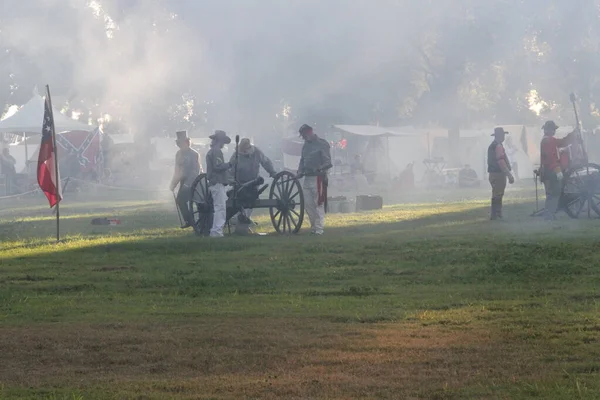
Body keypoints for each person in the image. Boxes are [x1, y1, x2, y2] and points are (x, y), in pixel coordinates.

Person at [229, 138, 277, 234]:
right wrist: (231, 180)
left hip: (253, 183)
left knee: (250, 203)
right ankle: (241, 224)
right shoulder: (236, 155)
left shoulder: (257, 152)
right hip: (240, 184)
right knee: (241, 204)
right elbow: (231, 169)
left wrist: (272, 172)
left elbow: (266, 162)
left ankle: (243, 224)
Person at [297, 124, 332, 235]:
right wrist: (299, 171)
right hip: (307, 178)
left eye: (304, 135)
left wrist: (320, 168)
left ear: (310, 132)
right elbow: (302, 160)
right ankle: (314, 227)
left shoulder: (322, 144)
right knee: (308, 205)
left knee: (318, 204)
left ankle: (319, 229)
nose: (303, 137)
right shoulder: (305, 146)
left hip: (318, 178)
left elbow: (328, 162)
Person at [539, 120, 577, 220]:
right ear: (549, 130)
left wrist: (572, 134)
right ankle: (549, 215)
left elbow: (562, 142)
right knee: (554, 194)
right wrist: (557, 170)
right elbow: (550, 158)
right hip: (552, 170)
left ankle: (550, 214)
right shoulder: (548, 140)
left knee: (552, 194)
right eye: (553, 129)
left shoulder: (548, 140)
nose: (554, 131)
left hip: (549, 170)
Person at [206, 130, 235, 237]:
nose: (223, 144)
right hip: (217, 182)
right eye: (223, 141)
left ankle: (216, 231)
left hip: (216, 182)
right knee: (220, 208)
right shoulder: (216, 151)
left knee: (220, 207)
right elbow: (218, 167)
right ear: (219, 141)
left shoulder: (212, 151)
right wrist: (230, 164)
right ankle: (216, 232)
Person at [169, 131, 200, 228]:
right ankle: (189, 220)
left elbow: (196, 170)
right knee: (180, 200)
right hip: (183, 180)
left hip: (195, 181)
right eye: (178, 143)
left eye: (181, 143)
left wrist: (188, 183)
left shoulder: (194, 154)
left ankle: (194, 220)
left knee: (193, 202)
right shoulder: (178, 154)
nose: (179, 145)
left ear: (187, 142)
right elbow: (177, 170)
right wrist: (173, 183)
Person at [487, 127, 515, 220]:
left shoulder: (493, 145)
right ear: (499, 135)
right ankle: (496, 214)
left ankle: (495, 214)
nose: (504, 136)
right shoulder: (498, 146)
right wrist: (509, 174)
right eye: (503, 135)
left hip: (493, 173)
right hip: (498, 174)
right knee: (498, 194)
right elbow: (500, 161)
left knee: (496, 193)